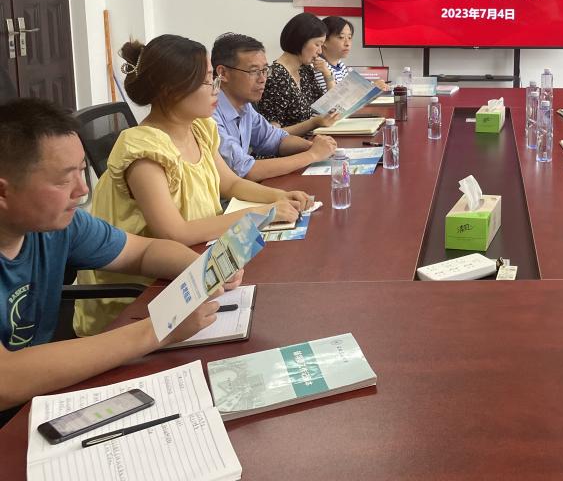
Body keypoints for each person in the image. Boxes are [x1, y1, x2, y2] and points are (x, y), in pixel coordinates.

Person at [0, 99, 238, 421]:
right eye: (63, 180)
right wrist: (158, 330)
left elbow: (142, 252)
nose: (82, 190)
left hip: (41, 396)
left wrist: (202, 268)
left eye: (82, 170)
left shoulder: (63, 226)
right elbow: (6, 380)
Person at [74, 35, 307, 336]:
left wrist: (279, 196)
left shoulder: (199, 128)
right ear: (171, 90)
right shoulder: (144, 150)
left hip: (195, 264)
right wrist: (262, 213)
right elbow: (175, 232)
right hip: (144, 297)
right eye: (208, 81)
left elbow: (230, 183)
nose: (216, 89)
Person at [212, 32, 337, 181]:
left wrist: (314, 146)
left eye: (265, 70)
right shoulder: (209, 114)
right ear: (223, 73)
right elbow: (245, 170)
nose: (262, 79)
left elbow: (276, 139)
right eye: (254, 71)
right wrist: (313, 155)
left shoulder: (245, 106)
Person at [256, 12, 336, 132]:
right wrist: (313, 123)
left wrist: (328, 75)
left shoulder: (304, 70)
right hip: (290, 144)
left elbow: (329, 107)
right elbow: (272, 134)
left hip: (310, 139)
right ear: (300, 40)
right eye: (317, 44)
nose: (320, 51)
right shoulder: (275, 77)